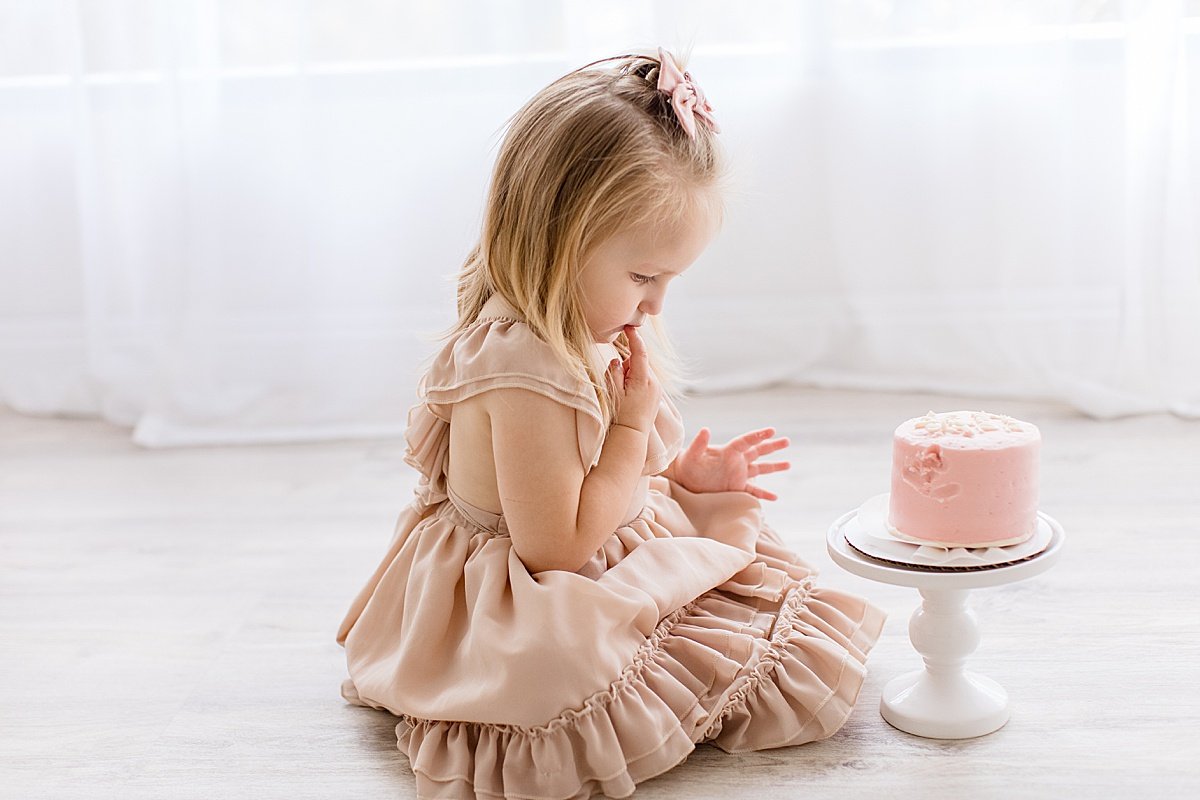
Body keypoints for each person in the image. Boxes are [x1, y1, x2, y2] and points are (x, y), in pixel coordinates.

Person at [336, 47, 886, 800]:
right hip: (522, 587)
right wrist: (630, 435)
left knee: (730, 552)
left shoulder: (575, 324)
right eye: (643, 277)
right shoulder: (524, 371)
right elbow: (553, 549)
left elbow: (587, 477)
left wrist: (674, 476)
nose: (656, 304)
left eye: (669, 281)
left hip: (589, 530)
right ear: (555, 240)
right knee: (565, 668)